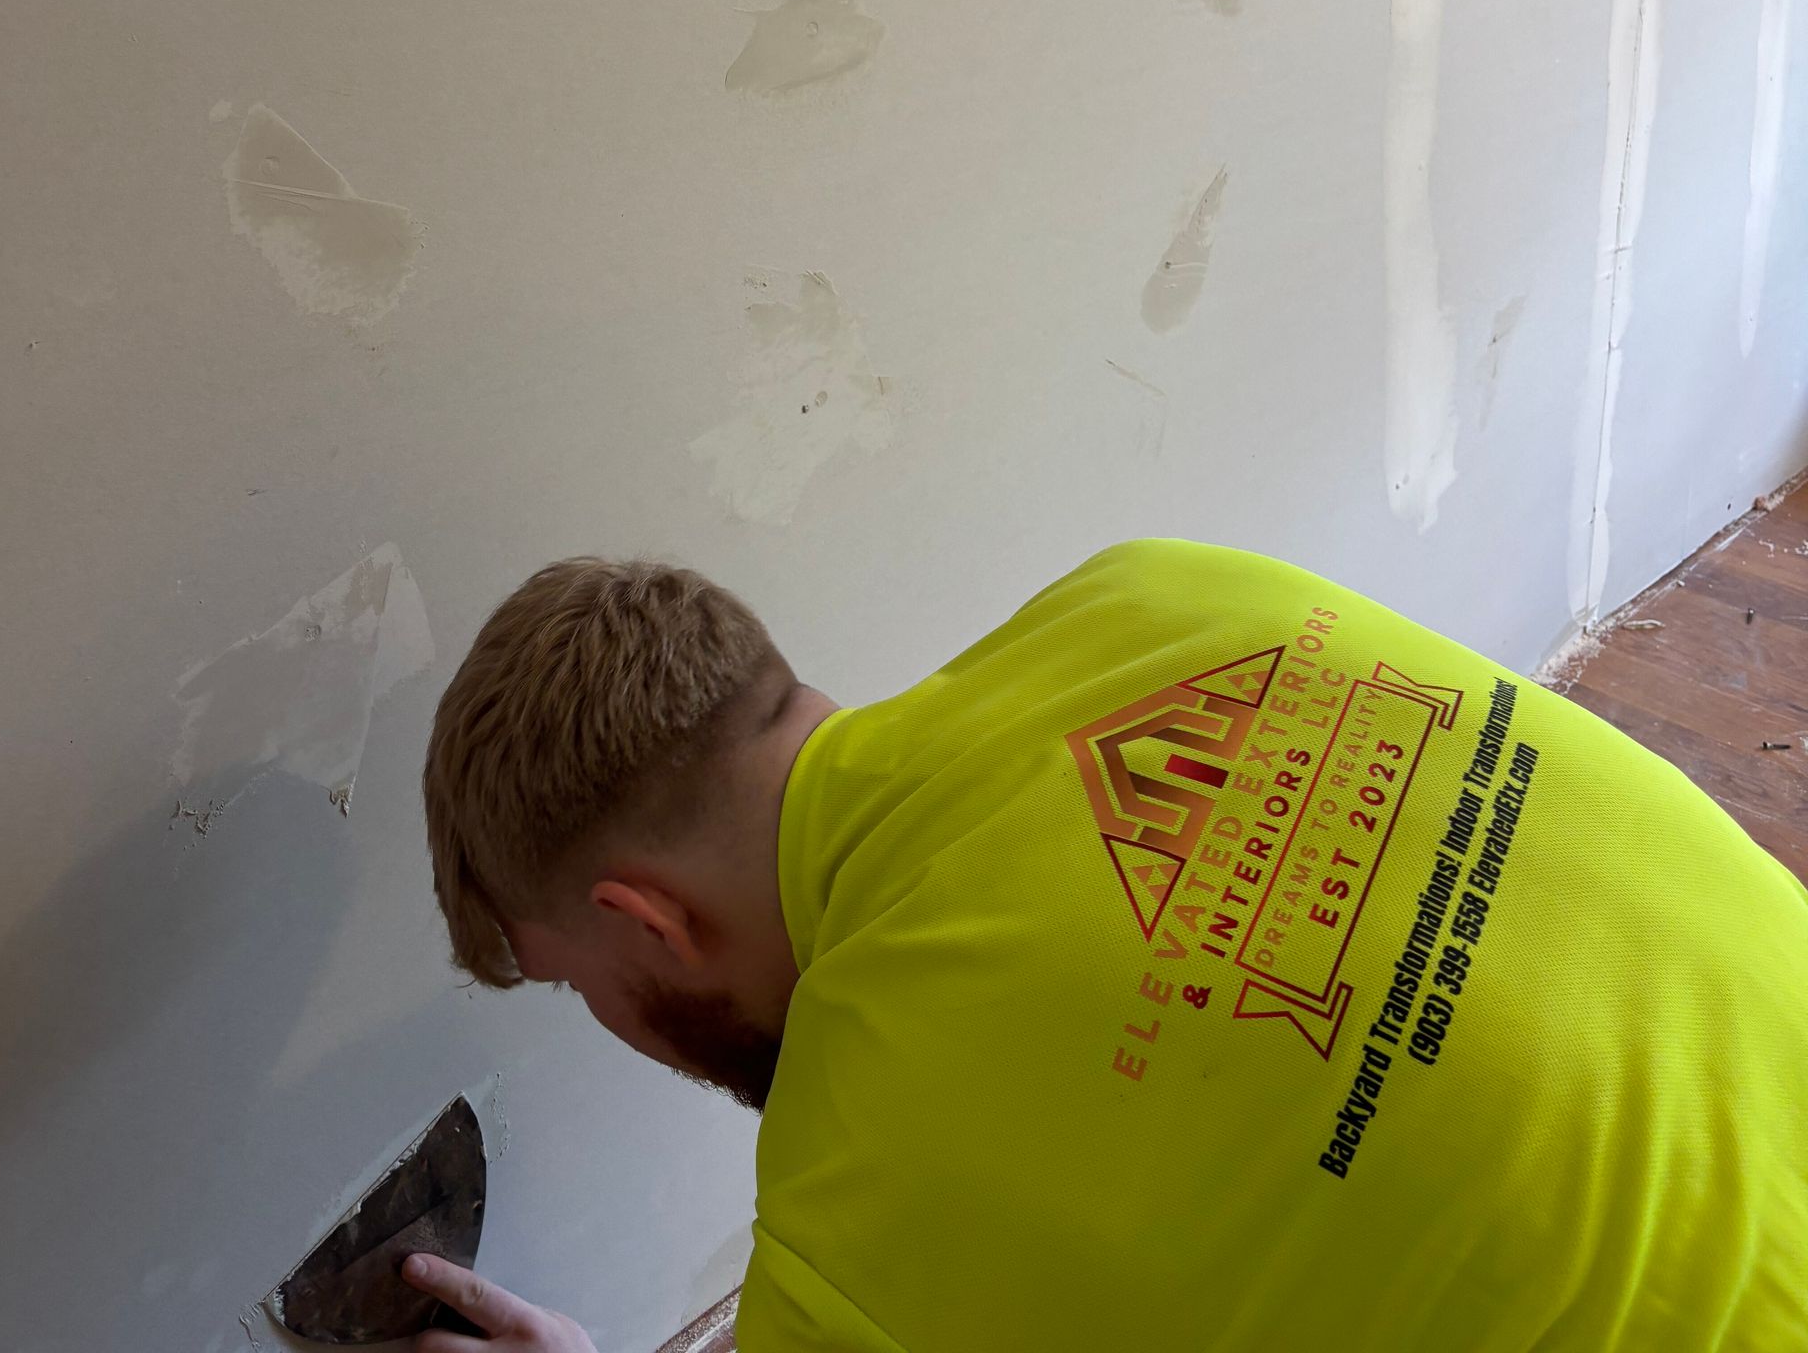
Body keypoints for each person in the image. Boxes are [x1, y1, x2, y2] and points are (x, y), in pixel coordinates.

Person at [406, 543, 1808, 1351]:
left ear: (641, 920)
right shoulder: (1153, 593)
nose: (616, 1028)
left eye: (577, 984)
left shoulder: (860, 1216)